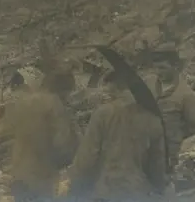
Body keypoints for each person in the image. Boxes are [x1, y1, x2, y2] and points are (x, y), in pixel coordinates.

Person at [67, 73, 167, 202]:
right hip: (137, 191)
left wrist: (75, 186)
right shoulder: (153, 120)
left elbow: (87, 157)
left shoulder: (103, 114)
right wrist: (159, 190)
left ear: (117, 89)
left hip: (106, 190)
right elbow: (157, 165)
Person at [5, 62, 80, 202]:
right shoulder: (54, 103)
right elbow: (62, 142)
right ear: (63, 89)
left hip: (19, 171)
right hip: (42, 175)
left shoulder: (23, 102)